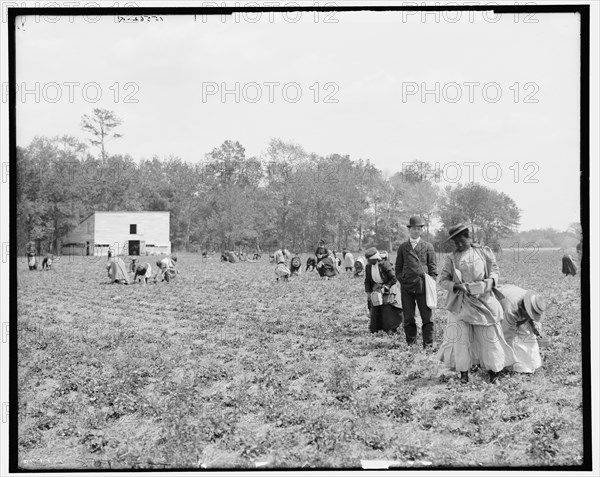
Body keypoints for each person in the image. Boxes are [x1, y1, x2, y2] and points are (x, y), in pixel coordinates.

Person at [437, 223, 517, 384]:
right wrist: (457, 286)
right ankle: (464, 375)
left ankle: (494, 373)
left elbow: (495, 270)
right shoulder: (452, 258)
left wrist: (489, 282)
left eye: (462, 240)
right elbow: (442, 280)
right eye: (456, 242)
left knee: (489, 339)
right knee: (461, 340)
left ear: (468, 237)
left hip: (484, 301)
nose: (459, 244)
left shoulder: (484, 252)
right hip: (461, 303)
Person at [394, 216, 437, 348]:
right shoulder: (403, 247)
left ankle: (428, 344)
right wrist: (403, 279)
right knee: (408, 317)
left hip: (423, 286)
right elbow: (398, 267)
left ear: (421, 231)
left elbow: (433, 267)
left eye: (418, 229)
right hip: (407, 287)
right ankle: (411, 343)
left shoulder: (428, 246)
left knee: (427, 317)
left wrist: (431, 281)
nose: (416, 231)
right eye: (413, 229)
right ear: (409, 230)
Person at [497, 284, 545, 374]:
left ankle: (533, 364)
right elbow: (507, 335)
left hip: (511, 293)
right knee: (516, 340)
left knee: (528, 335)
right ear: (525, 308)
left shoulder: (534, 300)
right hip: (500, 298)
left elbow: (535, 319)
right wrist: (508, 355)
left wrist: (537, 330)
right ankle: (517, 367)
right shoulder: (511, 310)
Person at [364, 247, 403, 333]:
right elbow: (367, 280)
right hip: (376, 288)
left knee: (387, 309)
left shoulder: (385, 264)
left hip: (387, 287)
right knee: (375, 308)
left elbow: (393, 279)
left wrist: (385, 288)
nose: (368, 262)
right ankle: (375, 329)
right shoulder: (368, 267)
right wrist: (368, 292)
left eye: (369, 260)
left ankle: (390, 329)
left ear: (375, 259)